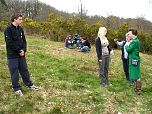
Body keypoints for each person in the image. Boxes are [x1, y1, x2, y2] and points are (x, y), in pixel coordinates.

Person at [4, 14, 39, 96]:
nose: (21, 21)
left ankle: (29, 84)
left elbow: (24, 40)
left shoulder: (20, 29)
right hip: (12, 55)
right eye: (20, 19)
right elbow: (9, 43)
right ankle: (16, 88)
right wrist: (19, 50)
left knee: (24, 69)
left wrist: (24, 50)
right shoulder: (8, 30)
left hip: (21, 54)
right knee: (14, 72)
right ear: (14, 19)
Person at [125, 29, 142, 95]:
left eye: (129, 33)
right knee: (135, 74)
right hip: (133, 59)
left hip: (134, 60)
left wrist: (127, 44)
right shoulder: (135, 40)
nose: (129, 35)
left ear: (133, 34)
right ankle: (136, 88)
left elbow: (128, 49)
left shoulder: (135, 41)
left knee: (136, 75)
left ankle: (138, 90)